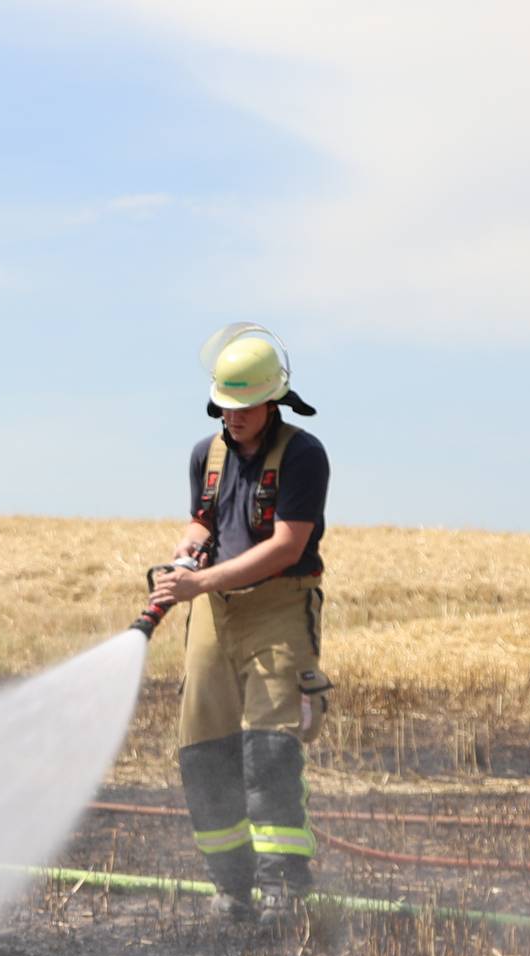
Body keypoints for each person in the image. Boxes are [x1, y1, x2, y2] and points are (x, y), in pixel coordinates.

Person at [147, 324, 333, 921]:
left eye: (243, 407)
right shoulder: (209, 454)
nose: (231, 418)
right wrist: (184, 557)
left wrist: (201, 582)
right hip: (212, 610)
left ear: (271, 400)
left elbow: (286, 546)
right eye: (223, 407)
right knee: (204, 751)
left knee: (270, 752)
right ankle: (231, 889)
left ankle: (284, 891)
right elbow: (203, 521)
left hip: (277, 607)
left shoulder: (303, 455)